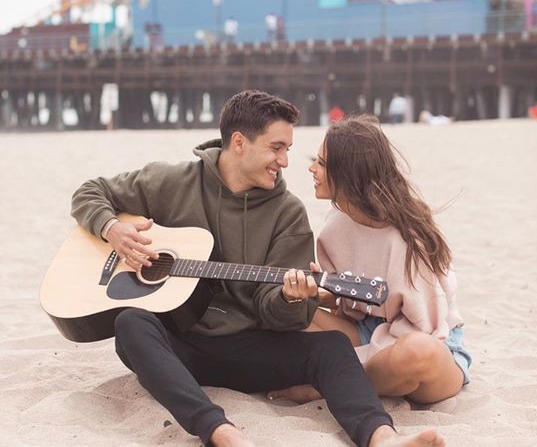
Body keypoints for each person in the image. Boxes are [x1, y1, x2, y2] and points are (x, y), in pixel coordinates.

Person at [71, 91, 443, 447]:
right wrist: (111, 228)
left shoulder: (288, 213)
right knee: (130, 325)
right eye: (276, 148)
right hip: (181, 346)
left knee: (330, 346)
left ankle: (382, 437)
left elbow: (278, 314)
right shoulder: (172, 182)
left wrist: (289, 298)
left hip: (251, 349)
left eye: (288, 150)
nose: (284, 161)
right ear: (238, 143)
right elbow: (90, 191)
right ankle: (219, 431)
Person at [270, 114, 470, 410]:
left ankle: (331, 384)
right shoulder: (335, 226)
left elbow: (430, 326)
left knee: (417, 353)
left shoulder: (408, 235)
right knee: (291, 314)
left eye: (322, 164)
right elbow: (350, 303)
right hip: (367, 330)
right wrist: (317, 294)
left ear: (349, 173)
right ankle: (350, 377)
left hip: (429, 345)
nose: (312, 169)